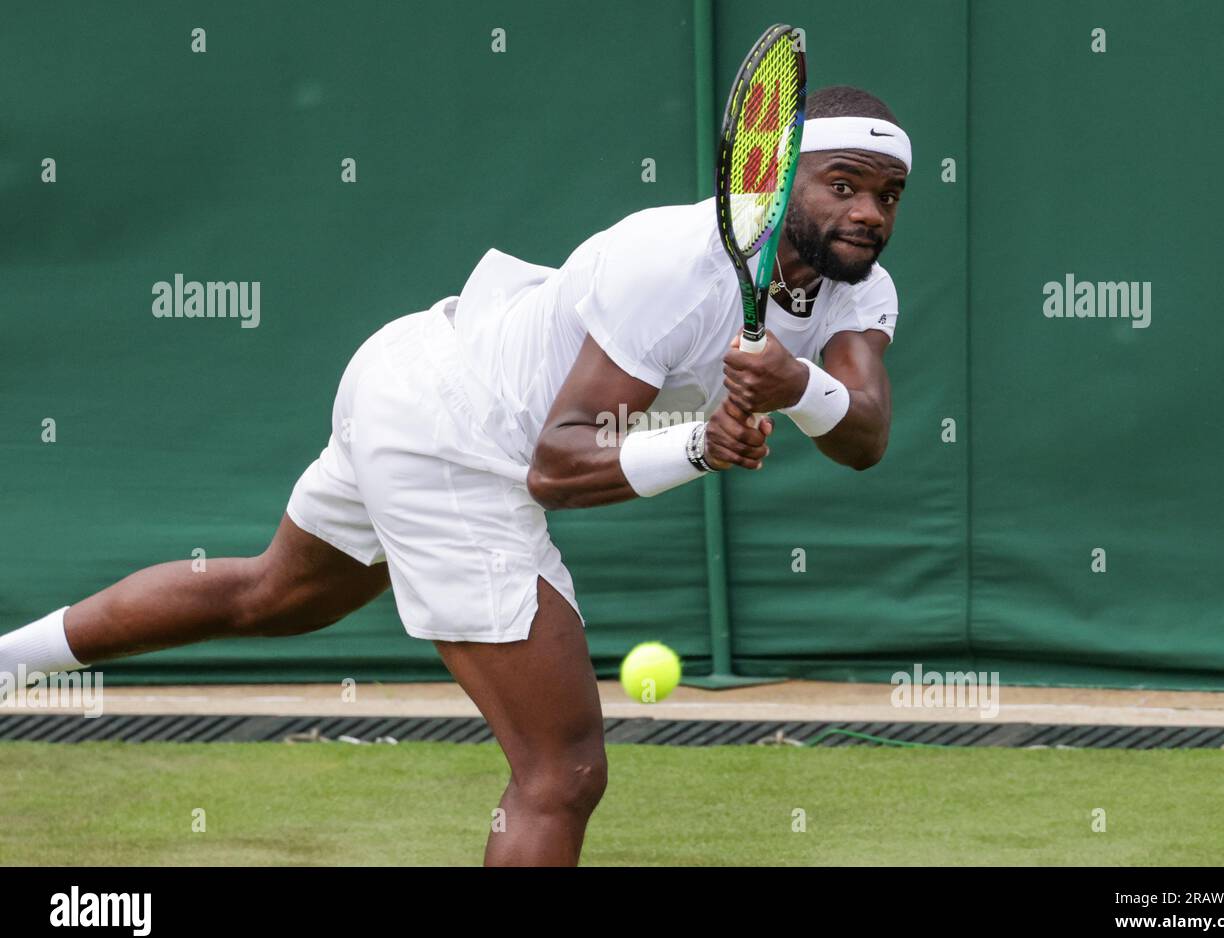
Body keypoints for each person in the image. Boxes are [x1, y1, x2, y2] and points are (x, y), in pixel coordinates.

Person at [0, 85, 910, 866]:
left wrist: (800, 384)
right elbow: (557, 465)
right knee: (562, 770)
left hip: (414, 371)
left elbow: (863, 435)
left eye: (888, 195)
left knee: (272, 597)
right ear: (775, 178)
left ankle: (5, 664)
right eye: (843, 186)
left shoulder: (861, 288)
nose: (868, 213)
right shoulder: (675, 263)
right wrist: (699, 447)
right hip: (455, 436)